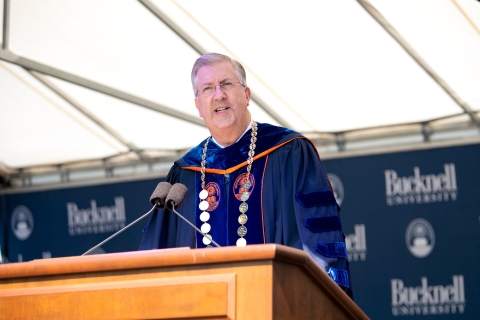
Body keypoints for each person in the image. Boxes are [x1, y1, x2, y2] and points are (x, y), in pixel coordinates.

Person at [139, 53, 353, 298]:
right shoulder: (185, 173)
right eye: (207, 88)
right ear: (198, 106)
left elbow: (319, 242)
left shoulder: (289, 152)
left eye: (227, 84)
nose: (219, 94)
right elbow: (157, 260)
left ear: (247, 95)